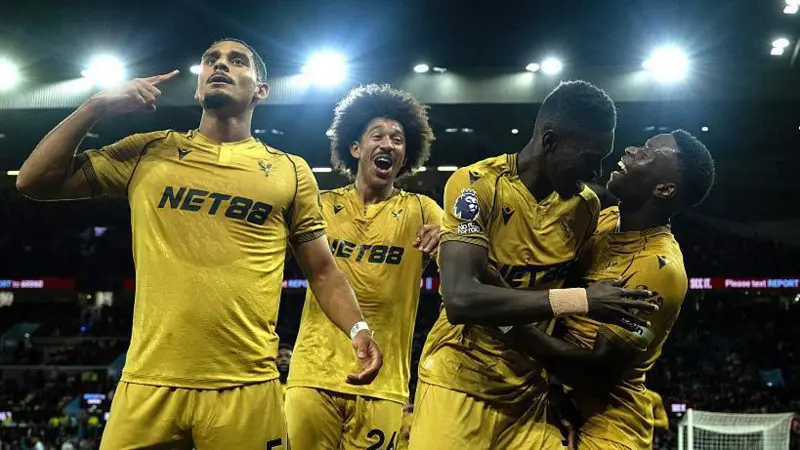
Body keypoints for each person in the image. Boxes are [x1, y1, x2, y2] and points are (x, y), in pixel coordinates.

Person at [16, 38, 383, 450]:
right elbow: (34, 181)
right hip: (148, 383)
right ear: (198, 85)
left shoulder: (290, 171)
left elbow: (321, 269)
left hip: (246, 386)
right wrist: (96, 106)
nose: (220, 65)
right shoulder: (149, 152)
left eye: (236, 61)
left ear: (260, 90)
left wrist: (358, 328)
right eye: (211, 60)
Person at [410, 80, 656, 449]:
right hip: (458, 385)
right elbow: (461, 300)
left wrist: (557, 385)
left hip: (529, 399)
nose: (596, 172)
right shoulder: (475, 186)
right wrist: (582, 299)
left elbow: (563, 319)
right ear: (550, 141)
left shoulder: (585, 208)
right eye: (591, 158)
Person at [502, 130, 715, 449]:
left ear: (665, 188)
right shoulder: (607, 219)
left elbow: (595, 376)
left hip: (607, 431)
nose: (630, 150)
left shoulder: (658, 268)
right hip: (554, 408)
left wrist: (503, 320)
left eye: (645, 153)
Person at [286, 84, 442, 450]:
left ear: (406, 156)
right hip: (312, 376)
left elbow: (466, 262)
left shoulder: (423, 211)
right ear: (356, 148)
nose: (388, 144)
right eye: (378, 136)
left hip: (384, 383)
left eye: (398, 139)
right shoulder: (319, 206)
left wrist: (448, 237)